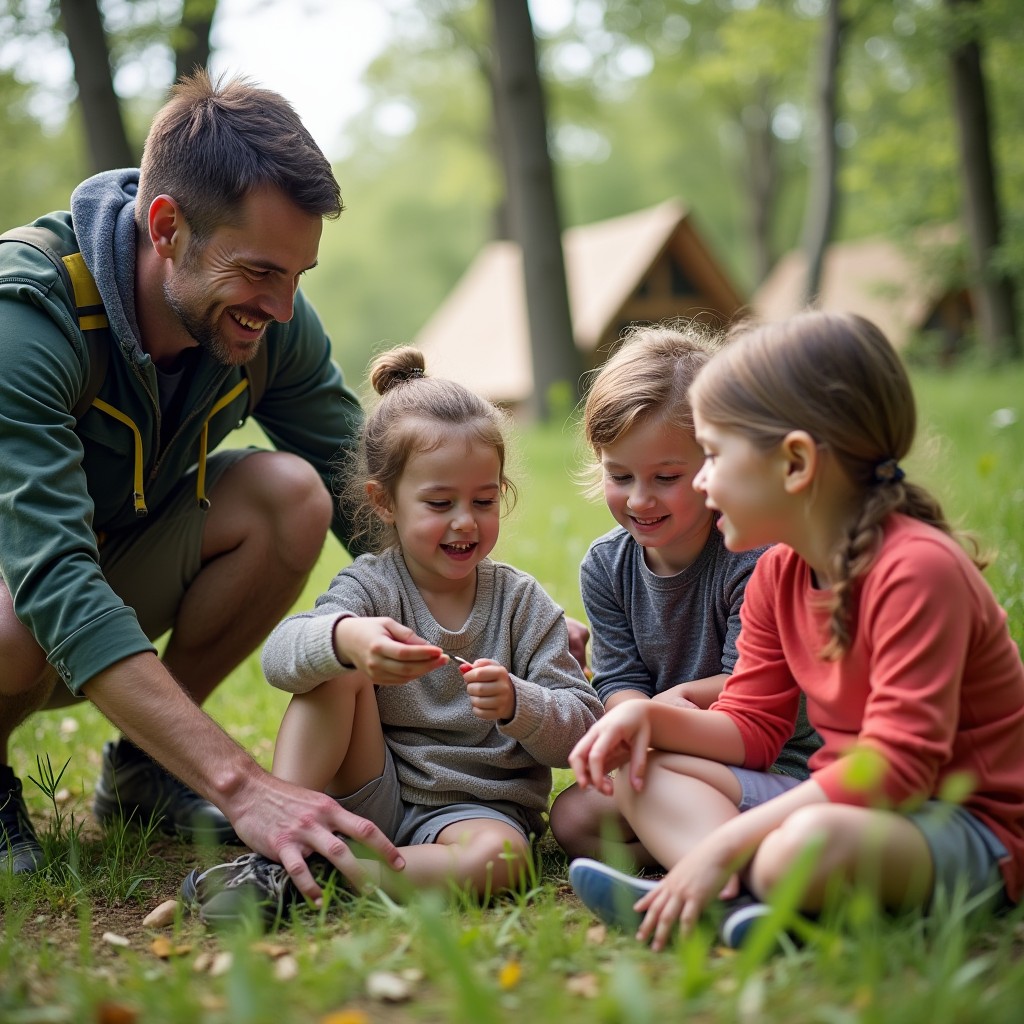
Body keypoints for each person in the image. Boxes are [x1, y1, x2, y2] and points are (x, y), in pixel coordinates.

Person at [0, 70, 405, 894]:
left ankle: (148, 766)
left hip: (97, 563)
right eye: (261, 271)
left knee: (293, 495)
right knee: (18, 623)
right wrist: (242, 783)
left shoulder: (263, 321)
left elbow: (372, 495)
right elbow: (53, 579)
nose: (283, 308)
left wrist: (499, 631)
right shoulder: (26, 320)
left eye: (299, 276)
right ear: (166, 227)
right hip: (24, 590)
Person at [567, 312, 1024, 951]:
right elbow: (751, 731)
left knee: (802, 847)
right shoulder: (779, 573)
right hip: (831, 796)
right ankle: (742, 906)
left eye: (715, 455)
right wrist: (646, 721)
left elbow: (900, 768)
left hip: (959, 824)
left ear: (796, 464)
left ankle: (729, 882)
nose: (702, 479)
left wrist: (728, 840)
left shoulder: (918, 570)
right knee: (639, 773)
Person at [183, 346, 603, 926]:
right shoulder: (371, 587)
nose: (464, 520)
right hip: (371, 789)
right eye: (439, 503)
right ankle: (277, 848)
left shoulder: (523, 604)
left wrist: (518, 704)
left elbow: (582, 728)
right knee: (332, 664)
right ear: (385, 502)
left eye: (484, 501)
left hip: (475, 813)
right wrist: (346, 640)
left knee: (504, 860)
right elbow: (281, 658)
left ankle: (326, 875)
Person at [549, 323, 819, 867]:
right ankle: (704, 852)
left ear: (713, 465)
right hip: (669, 743)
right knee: (573, 819)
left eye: (666, 476)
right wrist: (634, 717)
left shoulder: (752, 555)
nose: (640, 499)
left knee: (642, 788)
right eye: (619, 475)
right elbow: (620, 678)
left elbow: (755, 692)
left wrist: (661, 711)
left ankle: (711, 866)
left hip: (770, 758)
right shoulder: (607, 566)